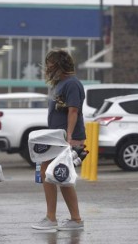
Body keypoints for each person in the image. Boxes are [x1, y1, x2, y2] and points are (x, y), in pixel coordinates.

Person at [32, 49, 86, 231]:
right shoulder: (59, 83)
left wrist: (69, 136)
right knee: (57, 176)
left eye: (50, 64)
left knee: (57, 175)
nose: (47, 67)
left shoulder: (72, 84)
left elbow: (73, 110)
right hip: (57, 137)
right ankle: (70, 219)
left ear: (59, 65)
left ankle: (58, 218)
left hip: (67, 138)